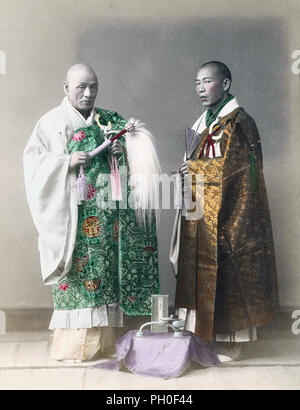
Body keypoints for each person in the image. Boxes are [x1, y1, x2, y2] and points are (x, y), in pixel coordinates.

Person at [23, 63, 161, 362]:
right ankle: (75, 345)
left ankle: (105, 342)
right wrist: (66, 162)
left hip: (107, 218)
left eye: (93, 87)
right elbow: (34, 166)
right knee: (79, 277)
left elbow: (132, 145)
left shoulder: (107, 120)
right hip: (74, 217)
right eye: (80, 87)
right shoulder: (50, 123)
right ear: (66, 88)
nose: (87, 93)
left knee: (105, 275)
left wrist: (120, 150)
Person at [170, 61, 279, 361]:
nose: (201, 89)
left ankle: (233, 341)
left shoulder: (240, 122)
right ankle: (204, 336)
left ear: (226, 84)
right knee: (199, 267)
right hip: (201, 212)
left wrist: (195, 167)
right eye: (197, 83)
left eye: (207, 82)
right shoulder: (202, 122)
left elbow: (239, 168)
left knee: (229, 268)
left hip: (233, 212)